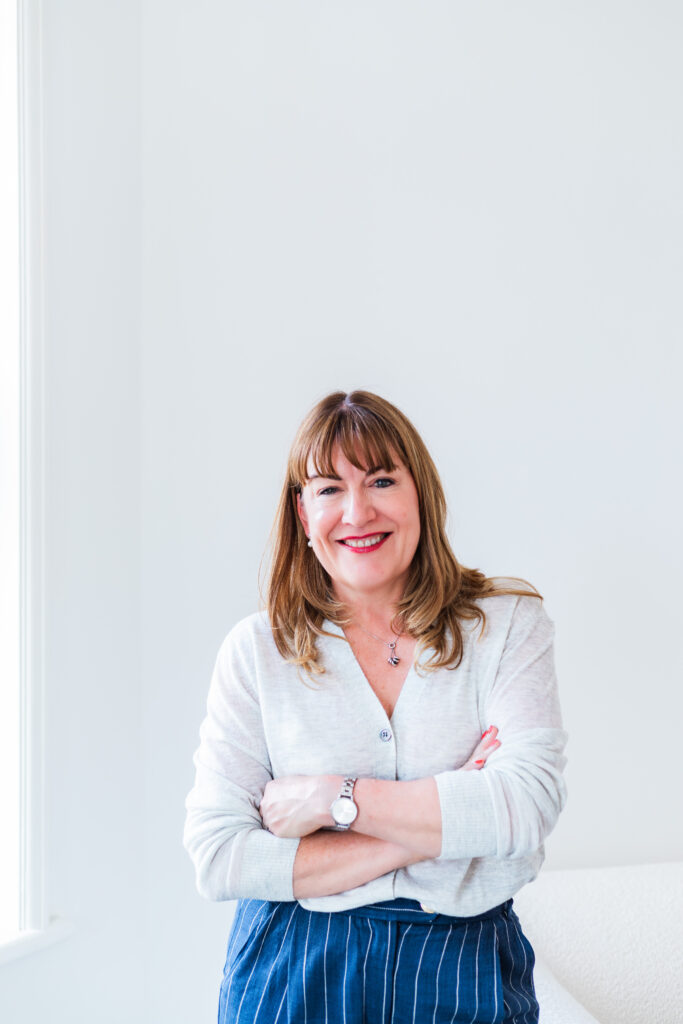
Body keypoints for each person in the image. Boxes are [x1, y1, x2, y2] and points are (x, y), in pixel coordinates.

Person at [183, 389, 568, 1024]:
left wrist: (335, 798)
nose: (357, 511)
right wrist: (438, 829)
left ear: (423, 496)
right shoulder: (257, 651)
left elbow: (524, 808)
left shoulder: (508, 628)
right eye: (329, 489)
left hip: (462, 958)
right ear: (303, 516)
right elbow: (221, 856)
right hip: (293, 959)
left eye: (382, 479)